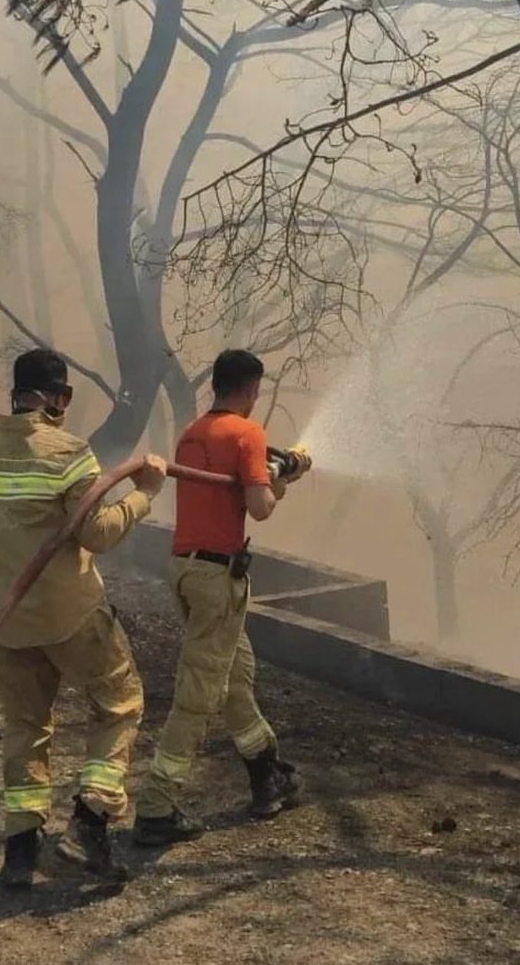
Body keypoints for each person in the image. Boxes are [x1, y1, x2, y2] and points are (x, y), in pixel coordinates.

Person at [0, 347, 167, 886]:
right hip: (72, 614)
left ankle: (21, 852)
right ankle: (90, 822)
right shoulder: (69, 453)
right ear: (54, 398)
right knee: (120, 705)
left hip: (7, 621)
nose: (65, 406)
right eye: (64, 397)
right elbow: (99, 533)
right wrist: (145, 494)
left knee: (26, 727)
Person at [133, 348, 310, 846]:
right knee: (199, 694)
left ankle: (266, 775)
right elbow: (260, 509)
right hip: (218, 576)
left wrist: (268, 474)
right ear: (251, 388)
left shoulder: (192, 434)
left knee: (235, 678)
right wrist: (282, 479)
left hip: (185, 569)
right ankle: (156, 808)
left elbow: (221, 493)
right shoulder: (248, 433)